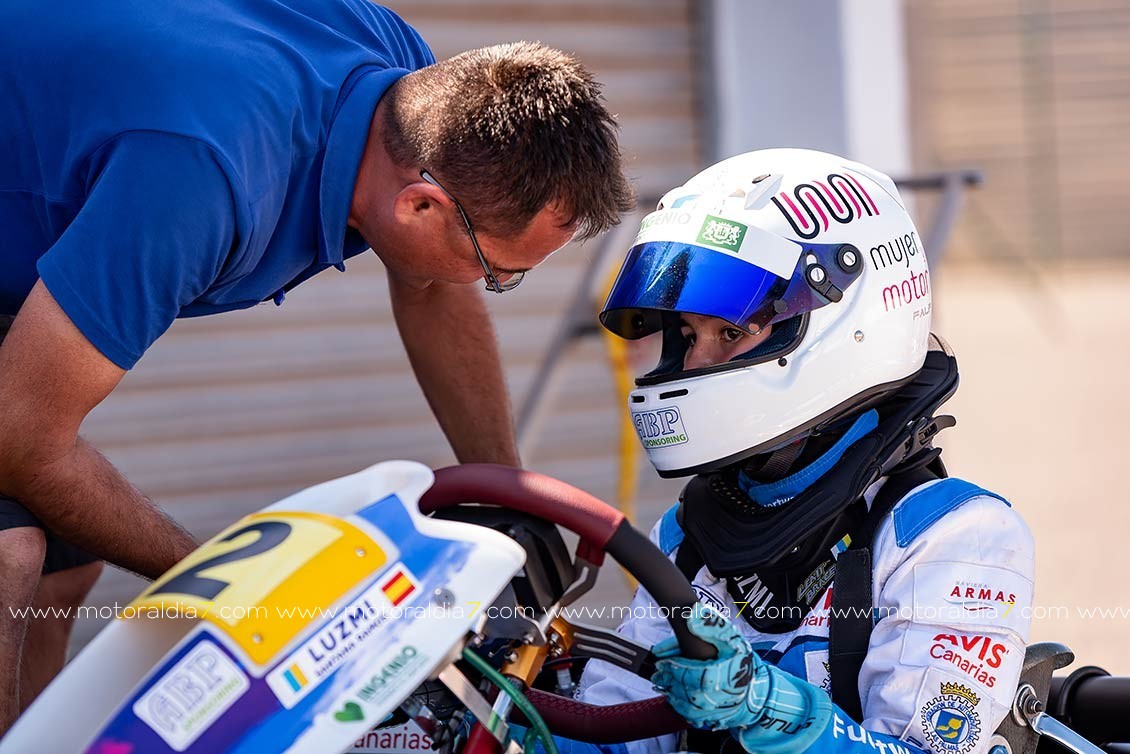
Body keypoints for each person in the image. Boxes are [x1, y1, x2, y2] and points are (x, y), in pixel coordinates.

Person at [0, 0, 633, 732]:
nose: (488, 287)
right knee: (10, 551)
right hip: (166, 157)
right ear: (422, 205)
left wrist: (509, 502)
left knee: (63, 564)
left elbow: (429, 294)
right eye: (498, 272)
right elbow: (22, 439)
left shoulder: (399, 75)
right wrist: (248, 592)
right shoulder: (206, 177)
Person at [578, 148, 1034, 754]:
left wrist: (775, 709)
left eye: (731, 332)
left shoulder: (954, 534)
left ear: (846, 325)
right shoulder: (685, 536)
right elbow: (612, 734)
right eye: (687, 335)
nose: (692, 363)